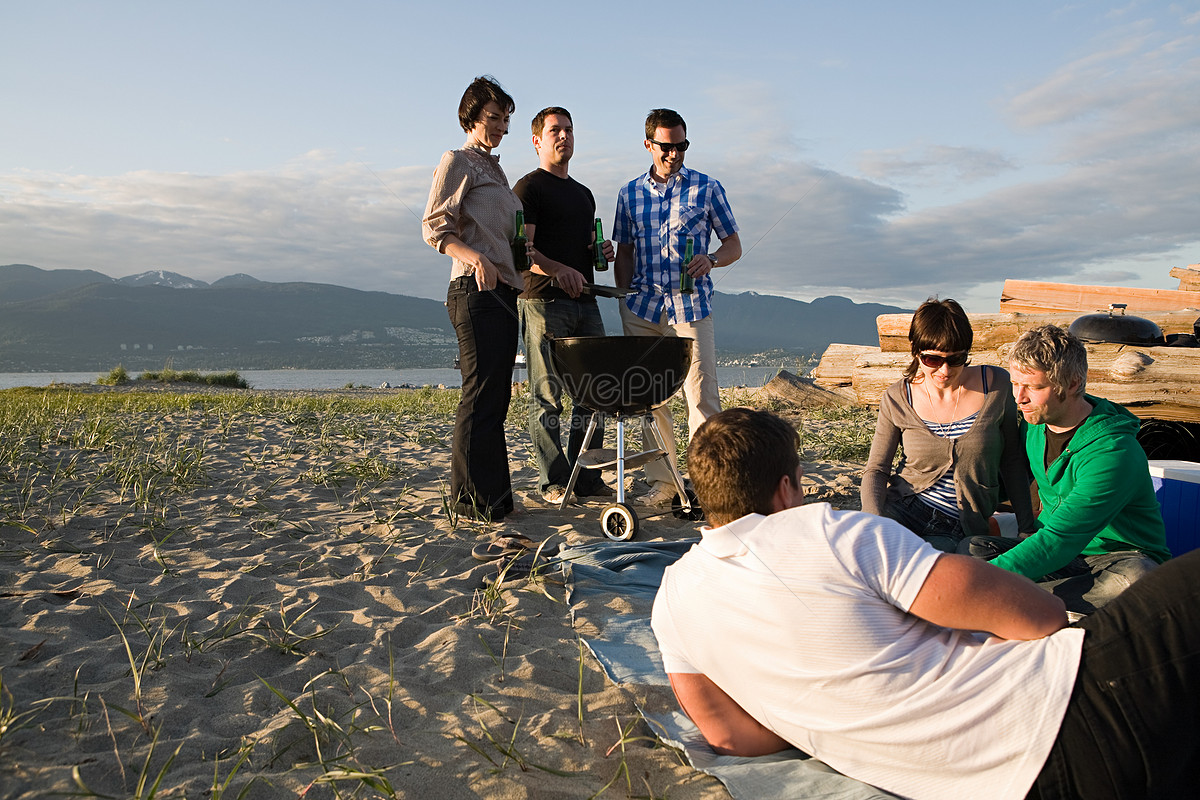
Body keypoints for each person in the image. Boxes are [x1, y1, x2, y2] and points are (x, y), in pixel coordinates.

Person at [652, 407, 1200, 800]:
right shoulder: (827, 531)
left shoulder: (672, 600)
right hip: (1072, 708)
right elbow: (1040, 617)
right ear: (786, 489)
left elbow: (731, 736)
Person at [960, 324, 1171, 614]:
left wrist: (973, 584)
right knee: (972, 548)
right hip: (1064, 559)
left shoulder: (1114, 452)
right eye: (1015, 384)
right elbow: (1007, 483)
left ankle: (1011, 602)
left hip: (1117, 558)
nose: (1019, 398)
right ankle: (1033, 602)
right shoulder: (1035, 426)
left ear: (1072, 384)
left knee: (1134, 583)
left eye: (1034, 387)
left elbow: (1060, 539)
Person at [613, 108, 741, 506]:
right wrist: (623, 301)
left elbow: (733, 244)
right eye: (666, 147)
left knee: (701, 396)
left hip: (692, 307)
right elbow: (624, 253)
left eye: (681, 145)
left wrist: (713, 259)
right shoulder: (629, 194)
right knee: (651, 402)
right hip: (643, 309)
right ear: (649, 144)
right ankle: (665, 483)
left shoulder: (707, 188)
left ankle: (707, 483)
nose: (674, 154)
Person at [422, 76, 524, 521]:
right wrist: (477, 258)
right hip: (472, 289)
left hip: (504, 293)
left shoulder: (497, 172)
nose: (501, 125)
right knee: (479, 394)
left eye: (505, 119)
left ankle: (495, 499)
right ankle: (468, 503)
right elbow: (433, 227)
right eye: (493, 117)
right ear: (471, 117)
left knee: (496, 397)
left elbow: (509, 242)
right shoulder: (457, 160)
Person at [861, 298, 1037, 552]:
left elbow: (1012, 462)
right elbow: (876, 470)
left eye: (956, 359)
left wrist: (1026, 528)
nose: (945, 370)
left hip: (963, 525)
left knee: (952, 557)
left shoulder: (996, 386)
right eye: (933, 359)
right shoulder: (897, 397)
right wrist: (873, 522)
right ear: (916, 350)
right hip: (904, 510)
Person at [513, 107, 615, 505]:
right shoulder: (528, 188)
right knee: (547, 394)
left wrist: (599, 250)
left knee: (594, 391)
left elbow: (586, 248)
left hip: (585, 300)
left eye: (569, 130)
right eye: (555, 130)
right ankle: (553, 482)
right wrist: (558, 271)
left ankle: (587, 478)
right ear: (537, 140)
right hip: (543, 300)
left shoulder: (584, 193)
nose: (564, 137)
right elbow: (525, 250)